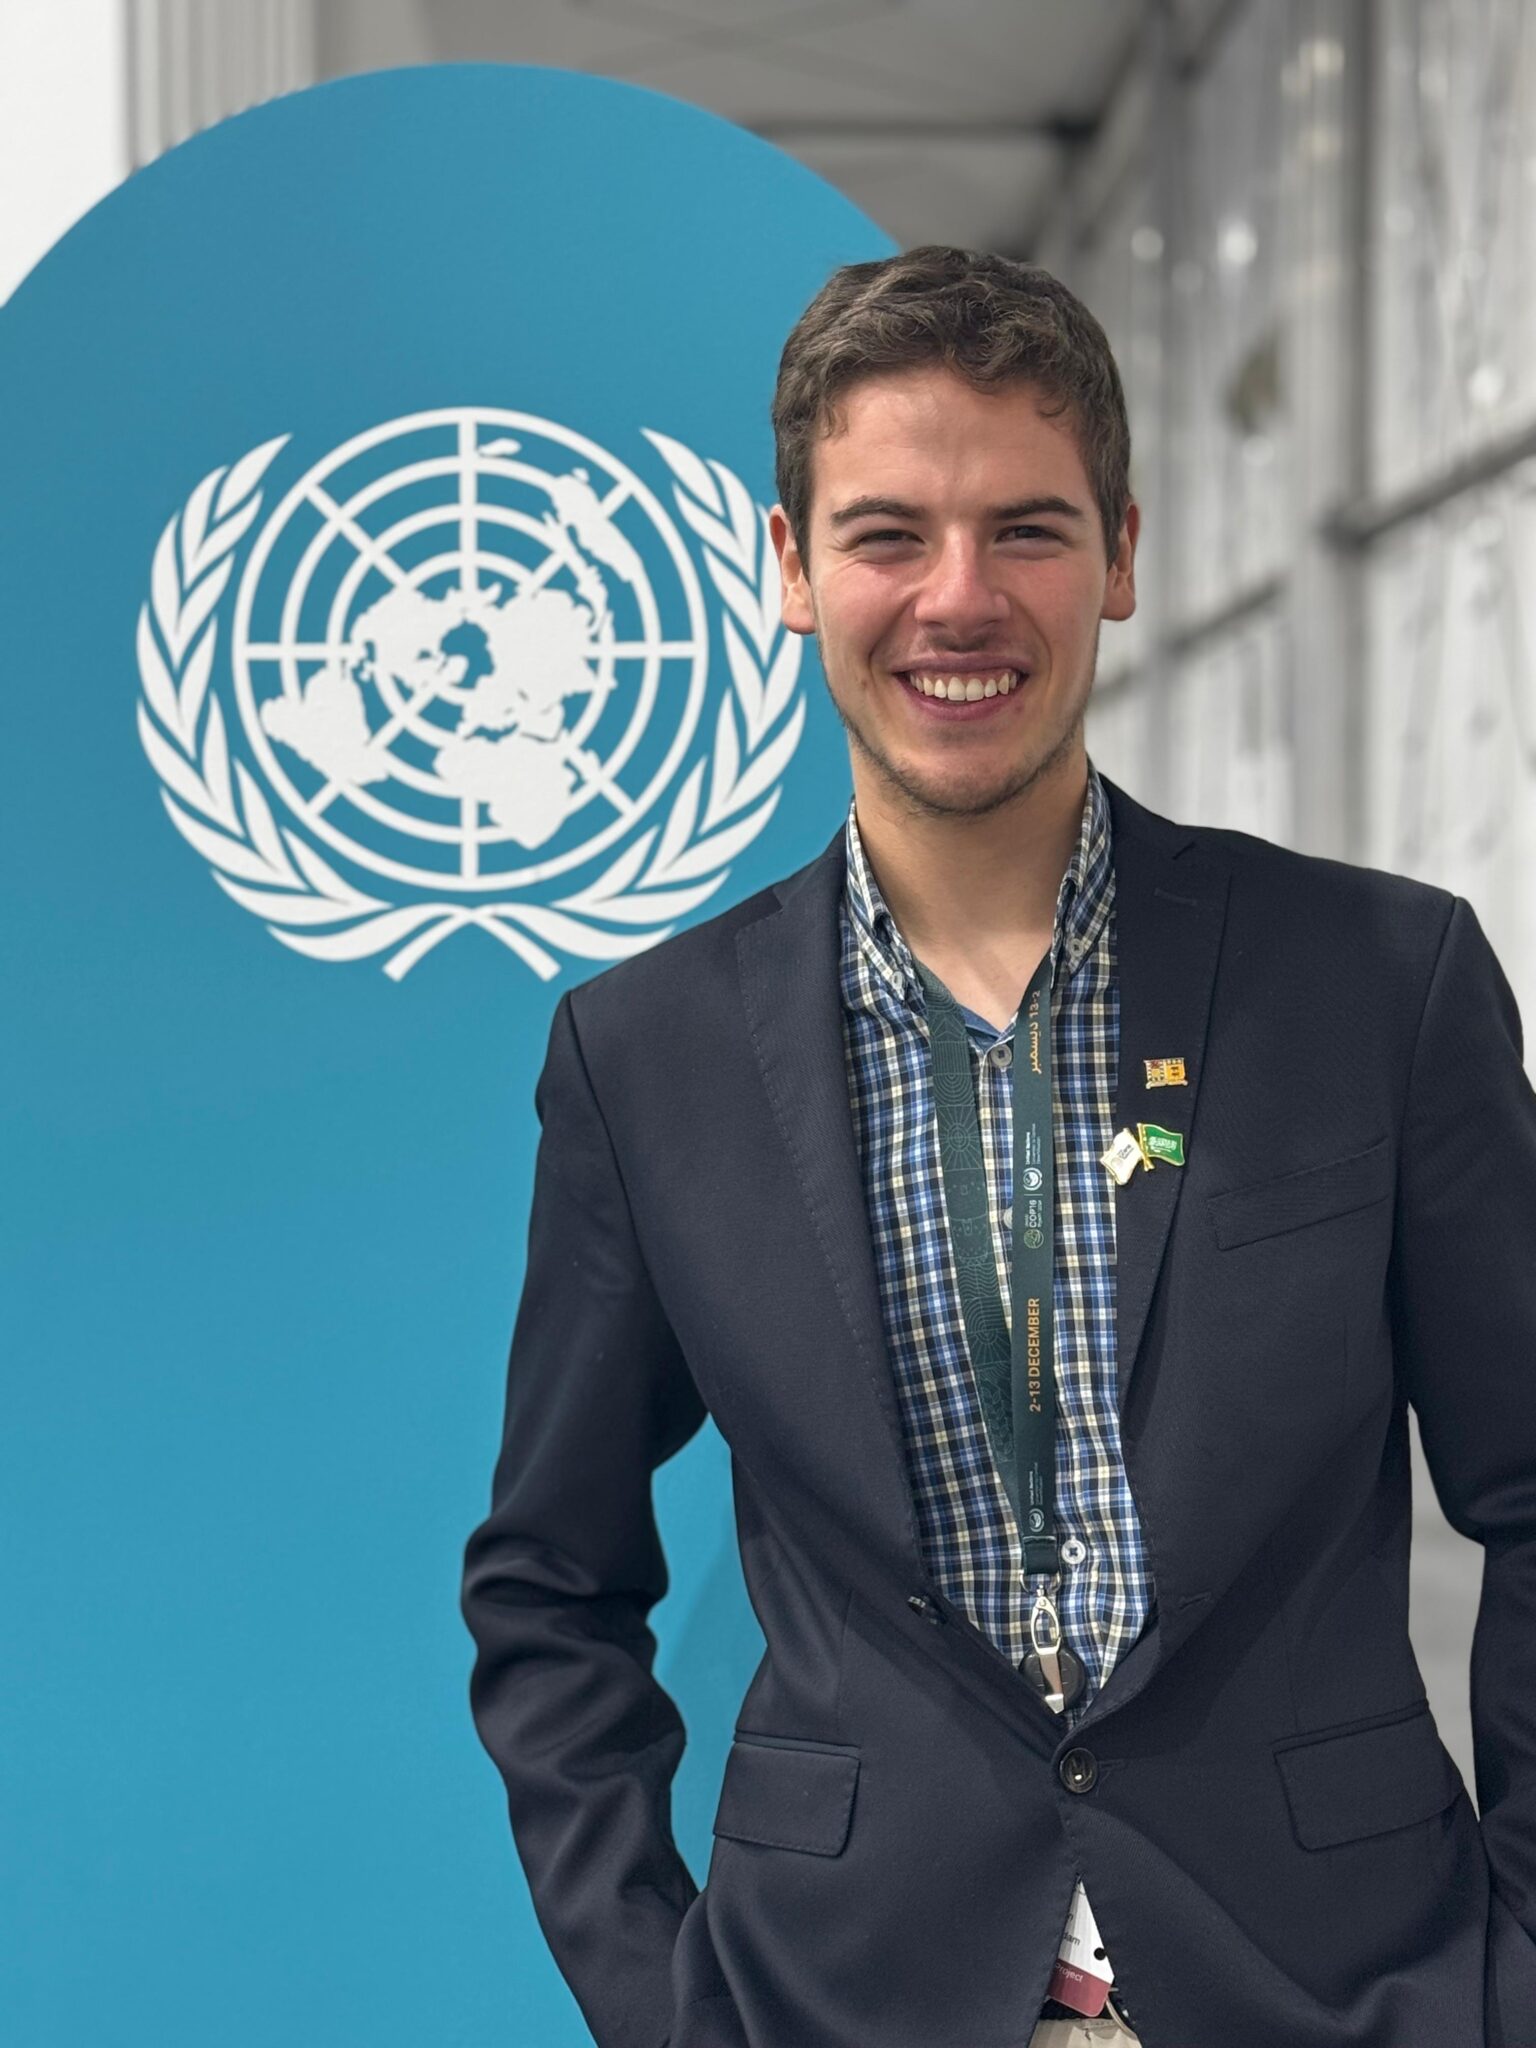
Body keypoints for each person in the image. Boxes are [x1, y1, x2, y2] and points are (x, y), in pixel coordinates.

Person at [460, 245, 1536, 2048]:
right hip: (840, 1994)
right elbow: (549, 1583)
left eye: (1025, 530)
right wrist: (661, 1999)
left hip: (1345, 1984)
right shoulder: (646, 1059)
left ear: (1122, 553)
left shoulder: (1382, 982)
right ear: (793, 570)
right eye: (888, 535)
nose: (958, 600)